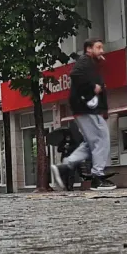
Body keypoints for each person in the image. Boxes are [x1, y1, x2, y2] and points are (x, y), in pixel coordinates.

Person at [50, 39, 117, 191]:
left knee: (90, 143)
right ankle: (97, 178)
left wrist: (103, 107)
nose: (102, 51)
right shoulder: (85, 62)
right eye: (98, 48)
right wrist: (93, 87)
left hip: (85, 109)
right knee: (102, 138)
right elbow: (75, 74)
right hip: (87, 108)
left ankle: (64, 167)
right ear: (88, 49)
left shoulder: (91, 64)